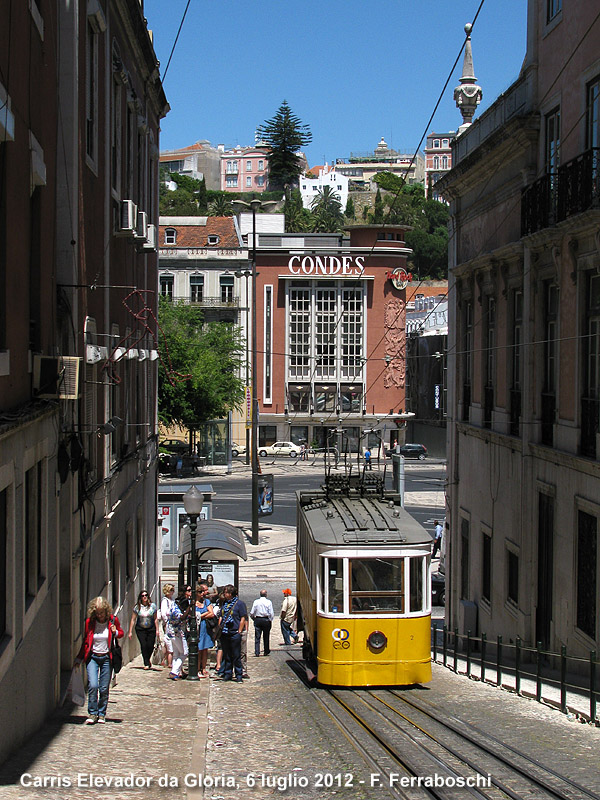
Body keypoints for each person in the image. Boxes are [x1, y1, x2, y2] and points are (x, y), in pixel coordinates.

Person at [76, 596, 124, 724]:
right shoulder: (89, 623)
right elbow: (86, 641)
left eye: (102, 612)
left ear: (106, 611)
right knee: (93, 685)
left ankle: (102, 714)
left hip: (107, 658)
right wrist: (79, 658)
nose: (100, 615)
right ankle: (92, 713)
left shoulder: (113, 621)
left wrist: (115, 632)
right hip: (93, 657)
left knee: (103, 688)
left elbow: (121, 633)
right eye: (97, 613)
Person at [217, 584, 247, 682]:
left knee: (236, 654)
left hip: (234, 632)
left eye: (225, 592)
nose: (224, 594)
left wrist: (239, 630)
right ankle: (228, 673)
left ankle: (238, 674)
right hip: (225, 632)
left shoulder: (239, 604)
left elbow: (243, 617)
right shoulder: (225, 603)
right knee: (227, 655)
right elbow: (221, 615)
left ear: (230, 593)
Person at [128, 589, 159, 670]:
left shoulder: (153, 606)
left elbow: (155, 618)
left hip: (151, 628)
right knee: (143, 645)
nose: (144, 597)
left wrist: (157, 630)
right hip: (140, 628)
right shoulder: (137, 607)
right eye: (143, 596)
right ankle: (146, 662)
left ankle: (147, 659)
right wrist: (130, 631)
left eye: (146, 595)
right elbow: (133, 619)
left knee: (150, 645)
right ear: (140, 597)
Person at [163, 584, 189, 680]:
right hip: (176, 633)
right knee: (184, 652)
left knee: (176, 653)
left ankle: (174, 673)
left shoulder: (173, 605)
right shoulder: (175, 610)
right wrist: (189, 609)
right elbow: (181, 617)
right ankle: (174, 671)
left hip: (172, 633)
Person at [194, 583, 215, 678]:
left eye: (203, 592)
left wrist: (200, 616)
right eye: (200, 592)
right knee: (198, 649)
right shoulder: (193, 603)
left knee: (205, 649)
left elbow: (212, 614)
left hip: (205, 627)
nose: (202, 593)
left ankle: (203, 668)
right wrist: (205, 614)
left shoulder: (206, 602)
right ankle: (197, 668)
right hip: (198, 628)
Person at [250, 589, 274, 657]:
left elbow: (252, 612)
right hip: (266, 619)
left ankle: (257, 651)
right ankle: (266, 651)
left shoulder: (256, 602)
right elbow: (271, 612)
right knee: (266, 636)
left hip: (258, 619)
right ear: (266, 594)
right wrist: (270, 619)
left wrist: (254, 618)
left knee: (257, 636)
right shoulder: (268, 602)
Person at [160, 584, 176, 670]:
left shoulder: (172, 600)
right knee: (169, 642)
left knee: (168, 643)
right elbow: (163, 613)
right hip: (168, 623)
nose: (173, 592)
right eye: (171, 590)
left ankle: (165, 659)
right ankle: (168, 661)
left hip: (172, 623)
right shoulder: (165, 601)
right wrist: (167, 622)